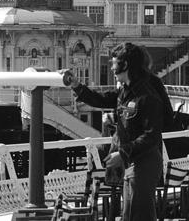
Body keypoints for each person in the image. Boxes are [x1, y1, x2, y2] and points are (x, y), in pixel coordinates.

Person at [68, 42, 164, 221]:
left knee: (139, 215)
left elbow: (151, 136)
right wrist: (76, 85)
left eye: (114, 63)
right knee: (128, 215)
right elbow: (101, 100)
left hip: (145, 163)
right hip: (131, 163)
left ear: (125, 65)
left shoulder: (147, 96)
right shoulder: (125, 93)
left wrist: (122, 152)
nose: (112, 68)